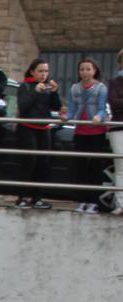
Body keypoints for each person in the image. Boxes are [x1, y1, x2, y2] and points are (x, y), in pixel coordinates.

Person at [14, 58, 63, 210]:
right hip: (27, 127)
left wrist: (54, 92)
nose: (43, 74)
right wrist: (36, 92)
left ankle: (38, 198)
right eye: (40, 71)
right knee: (30, 161)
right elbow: (23, 106)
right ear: (32, 71)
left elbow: (56, 107)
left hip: (43, 128)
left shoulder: (47, 88)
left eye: (46, 71)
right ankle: (22, 197)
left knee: (43, 163)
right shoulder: (25, 86)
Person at [66, 58, 109, 214]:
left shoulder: (101, 88)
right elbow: (72, 109)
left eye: (88, 69)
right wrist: (66, 117)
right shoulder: (75, 88)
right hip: (80, 131)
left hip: (96, 131)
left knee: (95, 168)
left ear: (94, 71)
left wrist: (98, 116)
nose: (85, 72)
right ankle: (81, 200)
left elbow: (103, 108)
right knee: (80, 167)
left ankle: (93, 201)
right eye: (82, 69)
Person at [108, 49, 123, 215]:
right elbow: (115, 103)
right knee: (120, 168)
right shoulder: (114, 82)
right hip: (118, 128)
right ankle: (120, 204)